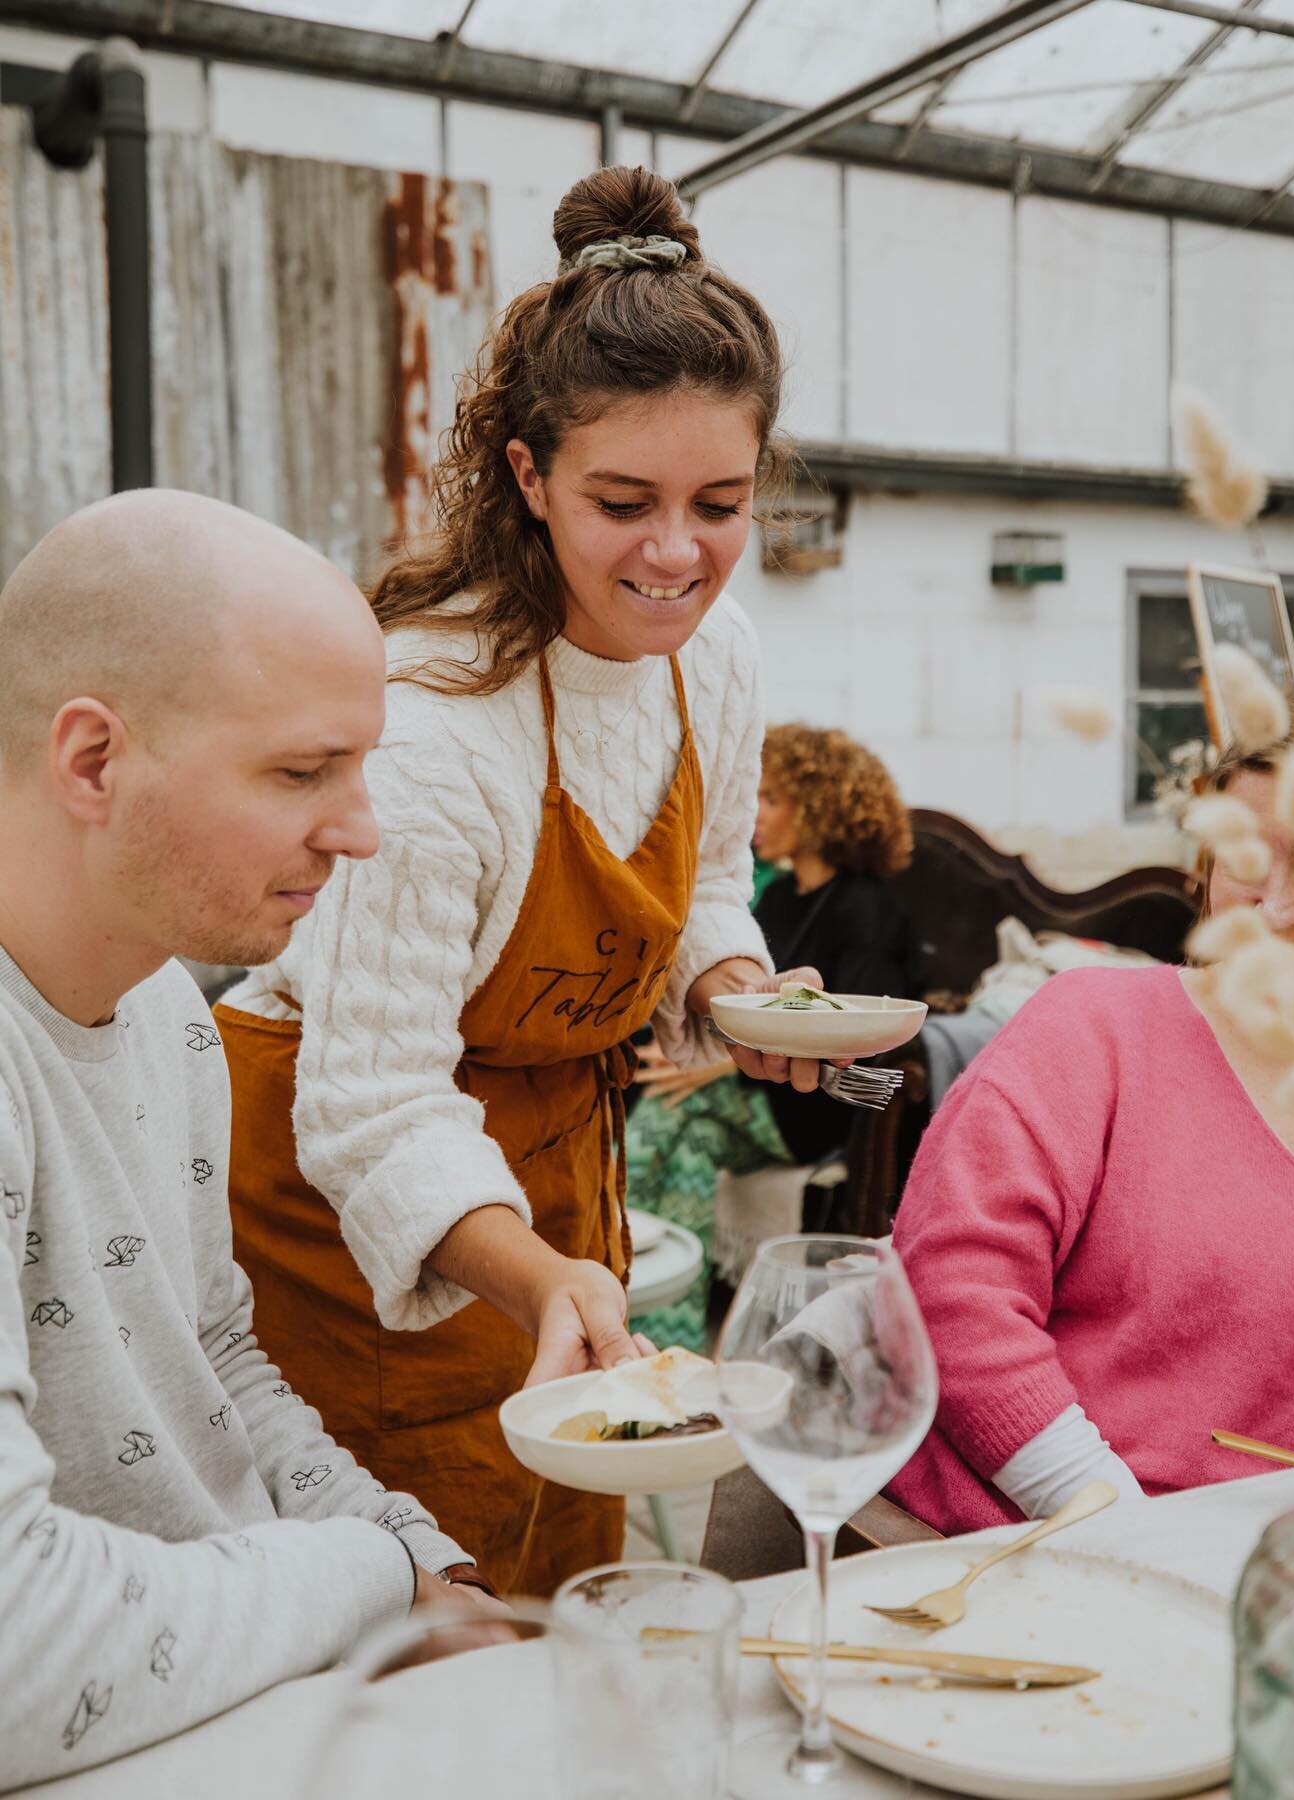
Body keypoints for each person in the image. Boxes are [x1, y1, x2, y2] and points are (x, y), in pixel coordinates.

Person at [216, 166, 828, 1595]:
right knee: (426, 1617)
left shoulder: (715, 658)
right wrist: (543, 1278)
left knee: (576, 1581)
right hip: (342, 1205)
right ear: (528, 476)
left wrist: (735, 989)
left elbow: (707, 884)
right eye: (624, 502)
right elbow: (370, 1101)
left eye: (720, 503)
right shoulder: (435, 727)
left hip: (556, 1169)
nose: (679, 554)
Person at [0, 492, 513, 1790]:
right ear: (94, 762)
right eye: (301, 772)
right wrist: (369, 1575)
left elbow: (211, 1357)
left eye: (360, 765)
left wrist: (419, 1556)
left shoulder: (174, 1006)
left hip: (241, 1708)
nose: (362, 828)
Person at [890, 681, 1294, 1535]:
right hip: (1043, 1555)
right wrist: (1122, 1526)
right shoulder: (1095, 1030)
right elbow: (952, 1296)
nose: (1279, 908)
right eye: (1249, 859)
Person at [628, 724, 914, 1349]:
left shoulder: (865, 907)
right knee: (689, 1143)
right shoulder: (779, 896)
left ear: (821, 804)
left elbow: (858, 1029)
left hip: (814, 1102)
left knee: (658, 1118)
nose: (753, 812)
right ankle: (669, 1337)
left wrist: (712, 1065)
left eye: (772, 798)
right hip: (757, 1095)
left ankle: (615, 1288)